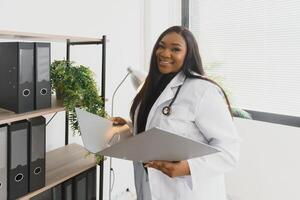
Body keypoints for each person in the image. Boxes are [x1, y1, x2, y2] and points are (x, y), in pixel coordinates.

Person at [112, 26, 240, 200]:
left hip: (186, 192)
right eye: (161, 46)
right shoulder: (150, 86)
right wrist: (129, 126)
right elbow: (162, 128)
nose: (164, 53)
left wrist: (187, 168)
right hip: (149, 185)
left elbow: (229, 152)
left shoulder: (202, 91)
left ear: (188, 55)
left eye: (175, 49)